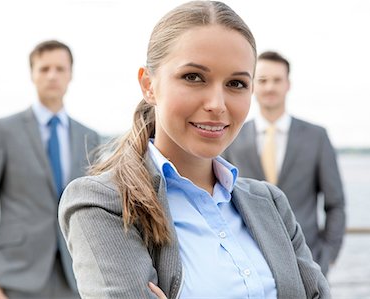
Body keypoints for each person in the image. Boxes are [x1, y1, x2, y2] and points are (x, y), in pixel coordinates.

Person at [59, 1, 330, 298]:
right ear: (149, 85)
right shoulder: (104, 203)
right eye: (193, 77)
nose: (217, 103)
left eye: (236, 83)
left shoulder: (271, 203)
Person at [0, 40, 100, 299]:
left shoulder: (88, 137)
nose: (52, 75)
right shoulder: (3, 131)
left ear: (70, 74)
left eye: (60, 68)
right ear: (32, 74)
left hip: (76, 277)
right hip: (15, 277)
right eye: (44, 68)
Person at [222, 50, 346, 276]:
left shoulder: (317, 137)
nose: (270, 87)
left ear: (288, 84)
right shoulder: (231, 137)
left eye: (277, 80)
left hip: (308, 264)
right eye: (262, 80)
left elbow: (335, 203)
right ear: (252, 85)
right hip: (248, 266)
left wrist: (327, 257)